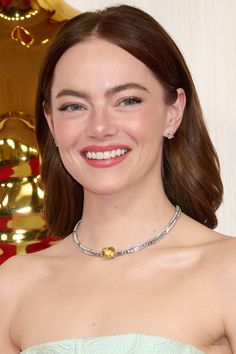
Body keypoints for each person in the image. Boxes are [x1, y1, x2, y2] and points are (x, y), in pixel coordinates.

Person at [0, 4, 235, 354]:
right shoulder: (13, 285)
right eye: (74, 106)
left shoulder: (227, 272)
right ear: (51, 122)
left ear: (173, 112)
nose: (99, 128)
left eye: (127, 101)